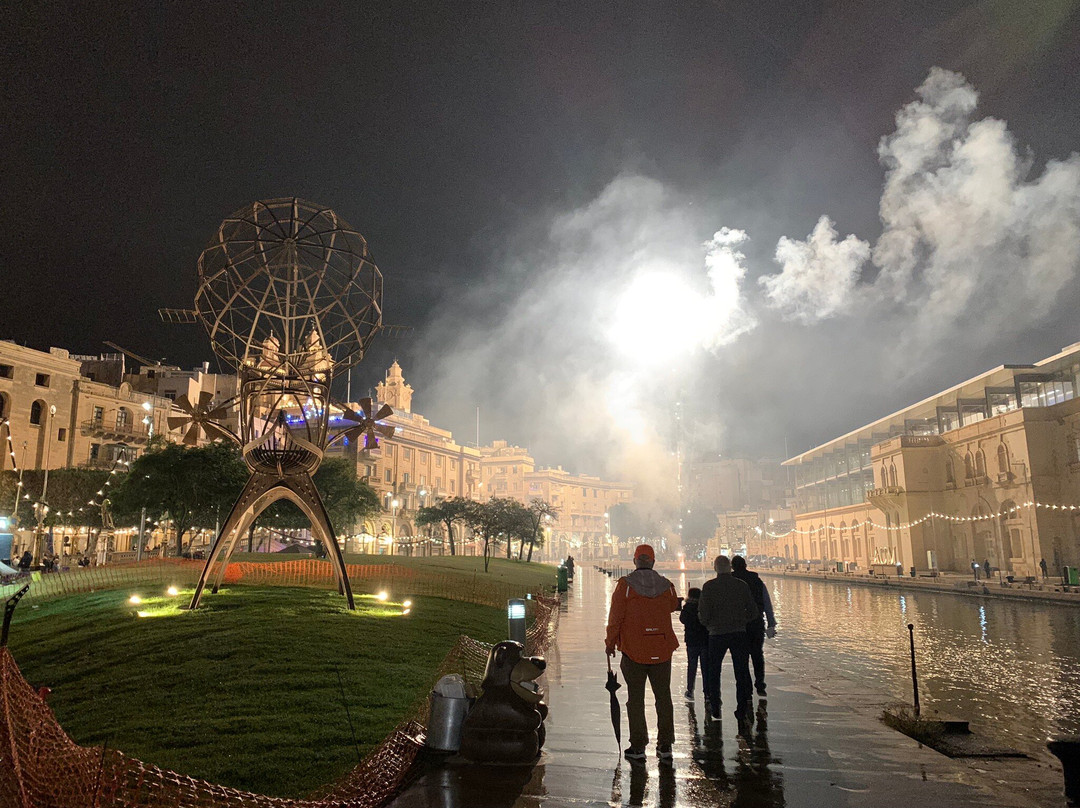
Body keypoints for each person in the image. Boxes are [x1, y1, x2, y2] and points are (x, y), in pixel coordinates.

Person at [605, 543, 680, 762]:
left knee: (635, 700)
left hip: (633, 650)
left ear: (635, 561)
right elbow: (672, 606)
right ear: (654, 561)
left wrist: (610, 643)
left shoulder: (625, 586)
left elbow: (615, 617)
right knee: (663, 697)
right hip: (662, 650)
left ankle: (638, 746)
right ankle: (665, 745)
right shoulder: (666, 586)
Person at [698, 555, 755, 730]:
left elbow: (703, 613)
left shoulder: (708, 587)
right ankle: (741, 707)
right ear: (730, 567)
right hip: (739, 633)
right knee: (741, 671)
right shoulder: (741, 586)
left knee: (713, 670)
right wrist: (742, 621)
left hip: (716, 634)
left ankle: (715, 705)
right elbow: (753, 611)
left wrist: (708, 624)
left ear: (715, 568)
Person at [731, 555, 777, 696]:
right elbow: (767, 603)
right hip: (757, 623)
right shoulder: (757, 581)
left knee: (741, 657)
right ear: (745, 565)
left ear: (732, 567)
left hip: (738, 625)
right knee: (757, 654)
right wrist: (771, 623)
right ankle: (760, 683)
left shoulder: (731, 582)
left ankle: (747, 685)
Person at [679, 587, 709, 704]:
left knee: (692, 666)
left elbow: (682, 620)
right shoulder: (703, 608)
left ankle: (690, 690)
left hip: (691, 641)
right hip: (704, 641)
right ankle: (707, 693)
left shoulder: (687, 608)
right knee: (706, 667)